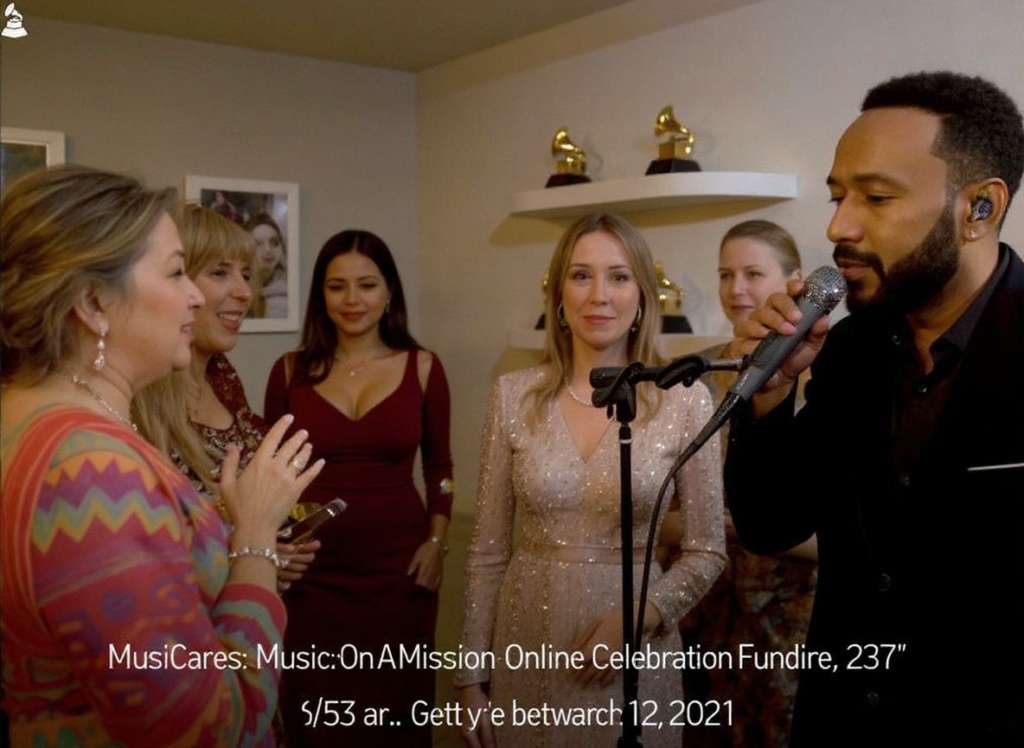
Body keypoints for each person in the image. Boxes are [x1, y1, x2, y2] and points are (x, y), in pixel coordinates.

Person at [725, 71, 1024, 747]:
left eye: (876, 197)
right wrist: (771, 393)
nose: (838, 226)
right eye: (837, 196)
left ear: (978, 206)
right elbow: (771, 522)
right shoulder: (852, 347)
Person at [0, 165, 323, 746]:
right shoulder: (89, 469)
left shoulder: (28, 418)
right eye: (178, 272)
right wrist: (254, 540)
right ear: (95, 302)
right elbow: (211, 726)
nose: (198, 296)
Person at [457, 212, 726, 748]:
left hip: (636, 649)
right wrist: (470, 678)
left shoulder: (685, 400)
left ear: (644, 295)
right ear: (558, 293)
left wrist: (640, 616)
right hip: (527, 641)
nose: (599, 295)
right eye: (581, 276)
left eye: (619, 276)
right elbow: (487, 552)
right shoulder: (512, 395)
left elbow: (707, 550)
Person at [264, 229, 455, 747]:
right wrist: (275, 551)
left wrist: (437, 543)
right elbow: (268, 477)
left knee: (397, 719)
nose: (352, 300)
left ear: (389, 291)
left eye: (366, 285)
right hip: (311, 579)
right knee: (316, 720)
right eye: (337, 287)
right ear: (320, 296)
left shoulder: (423, 367)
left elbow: (440, 467)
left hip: (399, 577)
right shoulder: (288, 371)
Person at [668, 220, 816, 748]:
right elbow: (657, 497)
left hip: (787, 626)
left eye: (754, 273)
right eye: (726, 274)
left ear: (795, 281)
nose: (737, 289)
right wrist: (682, 526)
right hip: (698, 616)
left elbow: (850, 526)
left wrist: (743, 527)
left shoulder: (821, 374)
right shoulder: (693, 372)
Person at [134, 204, 318, 592]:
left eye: (247, 274)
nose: (245, 292)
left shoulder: (223, 381)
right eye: (220, 272)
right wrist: (252, 550)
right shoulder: (135, 402)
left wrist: (269, 550)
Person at [247, 213, 288, 318]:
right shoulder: (238, 290)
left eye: (274, 243)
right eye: (259, 243)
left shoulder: (288, 293)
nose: (268, 250)